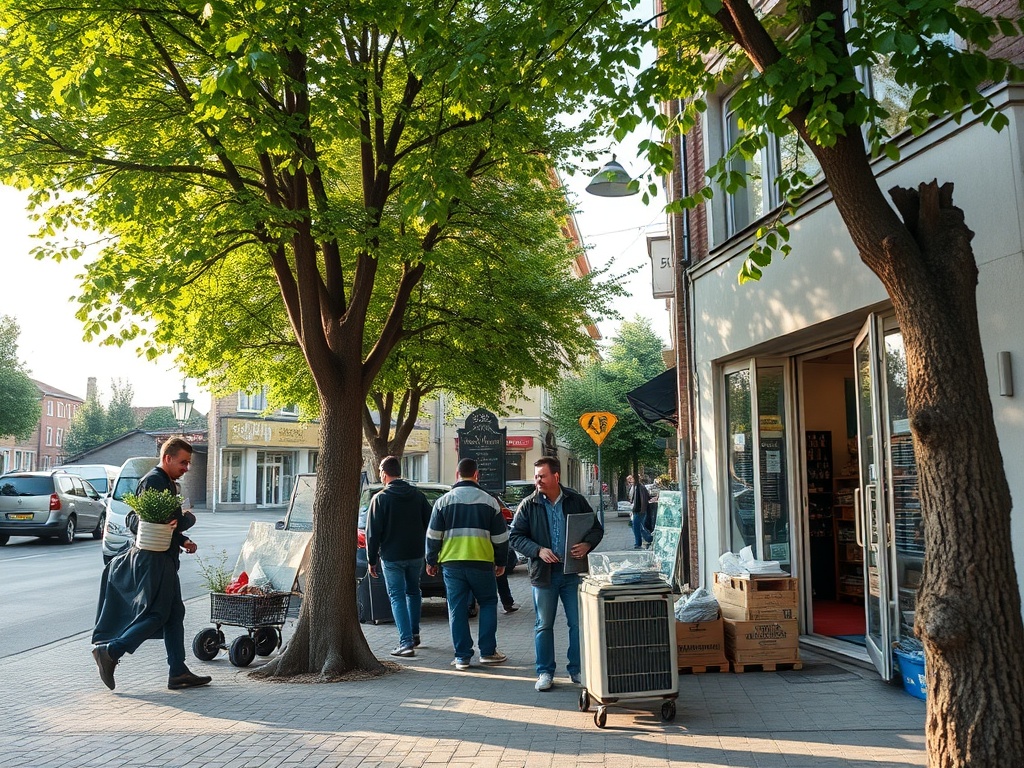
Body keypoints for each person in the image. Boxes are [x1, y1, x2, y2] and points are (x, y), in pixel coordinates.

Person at [91, 437, 211, 691]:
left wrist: (182, 539)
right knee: (157, 614)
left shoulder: (165, 481)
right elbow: (151, 521)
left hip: (162, 556)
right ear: (167, 458)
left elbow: (160, 524)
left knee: (174, 613)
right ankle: (111, 651)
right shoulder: (154, 481)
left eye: (188, 463)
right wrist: (187, 520)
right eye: (183, 462)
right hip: (155, 560)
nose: (187, 467)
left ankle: (178, 672)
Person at [509, 456, 604, 692]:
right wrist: (538, 550)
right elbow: (515, 537)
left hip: (572, 573)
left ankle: (578, 669)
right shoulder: (529, 504)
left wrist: (587, 545)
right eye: (536, 476)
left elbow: (596, 528)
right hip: (544, 575)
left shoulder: (575, 500)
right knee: (543, 625)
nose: (537, 480)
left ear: (556, 477)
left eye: (542, 476)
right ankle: (544, 672)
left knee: (578, 624)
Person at [426, 457, 510, 670]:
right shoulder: (490, 501)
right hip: (481, 561)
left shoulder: (443, 502)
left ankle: (462, 656)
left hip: (452, 563)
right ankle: (488, 652)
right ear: (476, 475)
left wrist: (431, 560)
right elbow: (501, 537)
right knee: (489, 603)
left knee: (456, 608)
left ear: (457, 475)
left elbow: (433, 535)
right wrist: (501, 561)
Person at [365, 455, 432, 657]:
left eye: (379, 472)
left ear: (384, 474)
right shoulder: (417, 496)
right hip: (416, 554)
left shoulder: (380, 499)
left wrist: (371, 559)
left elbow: (373, 533)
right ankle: (414, 633)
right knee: (413, 592)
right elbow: (430, 524)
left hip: (392, 556)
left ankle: (405, 642)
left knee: (396, 596)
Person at [626, 474, 653, 550]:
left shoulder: (639, 487)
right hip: (637, 510)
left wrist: (641, 510)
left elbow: (643, 499)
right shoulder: (636, 487)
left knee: (637, 527)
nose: (629, 483)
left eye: (630, 481)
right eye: (628, 482)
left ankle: (640, 542)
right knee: (637, 526)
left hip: (639, 510)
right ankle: (648, 539)